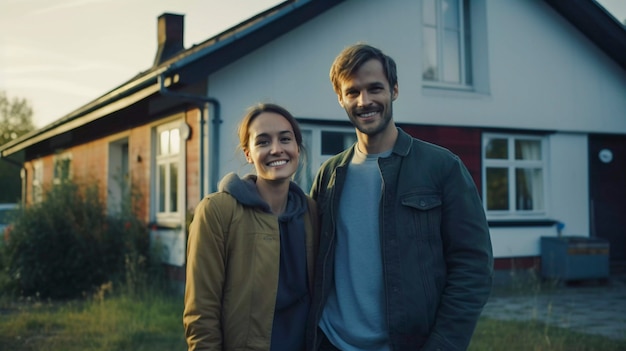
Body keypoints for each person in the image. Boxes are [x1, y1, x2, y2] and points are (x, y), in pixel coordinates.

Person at [306, 43, 493, 351]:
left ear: (394, 90)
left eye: (375, 88)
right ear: (340, 99)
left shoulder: (442, 167)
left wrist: (444, 344)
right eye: (352, 92)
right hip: (332, 342)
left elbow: (473, 267)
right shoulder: (329, 174)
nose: (364, 101)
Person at [184, 103, 319, 351]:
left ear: (297, 148)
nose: (276, 149)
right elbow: (201, 312)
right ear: (248, 153)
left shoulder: (312, 212)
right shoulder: (217, 211)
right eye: (263, 142)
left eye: (285, 139)